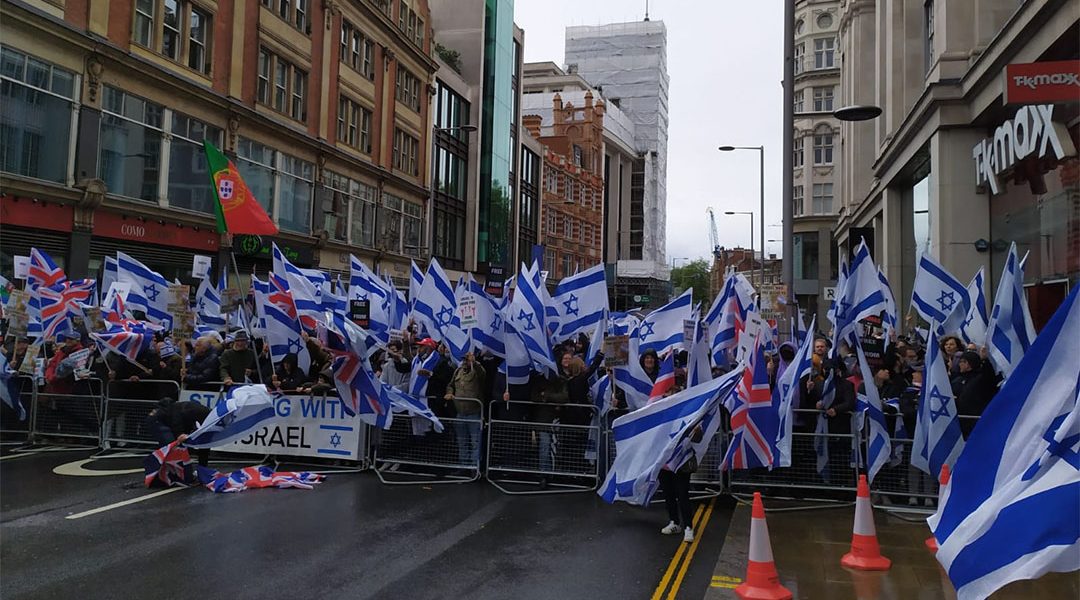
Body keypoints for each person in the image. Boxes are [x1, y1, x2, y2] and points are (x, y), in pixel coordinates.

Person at [659, 422, 704, 543]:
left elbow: (698, 439)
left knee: (682, 494)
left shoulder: (689, 412)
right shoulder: (661, 410)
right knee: (669, 494)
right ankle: (674, 522)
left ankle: (688, 527)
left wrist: (697, 430)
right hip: (664, 462)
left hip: (682, 461)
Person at [444, 352, 486, 466]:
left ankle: (474, 467)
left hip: (474, 413)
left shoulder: (477, 372)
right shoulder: (458, 371)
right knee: (462, 442)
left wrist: (474, 362)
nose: (464, 362)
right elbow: (450, 385)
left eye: (467, 360)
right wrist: (449, 393)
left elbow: (482, 374)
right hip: (460, 413)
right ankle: (463, 465)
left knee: (475, 442)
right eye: (464, 360)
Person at [144, 397, 211, 466]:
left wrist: (181, 435)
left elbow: (180, 425)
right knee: (176, 444)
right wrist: (181, 434)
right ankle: (183, 465)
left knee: (179, 444)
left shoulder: (176, 411)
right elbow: (180, 422)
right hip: (202, 420)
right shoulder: (178, 408)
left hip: (201, 421)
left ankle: (182, 465)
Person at [952, 351, 994, 438]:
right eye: (960, 362)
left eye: (963, 361)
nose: (960, 364)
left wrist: (985, 359)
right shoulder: (957, 380)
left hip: (976, 419)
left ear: (971, 363)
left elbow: (989, 375)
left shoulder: (981, 378)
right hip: (961, 420)